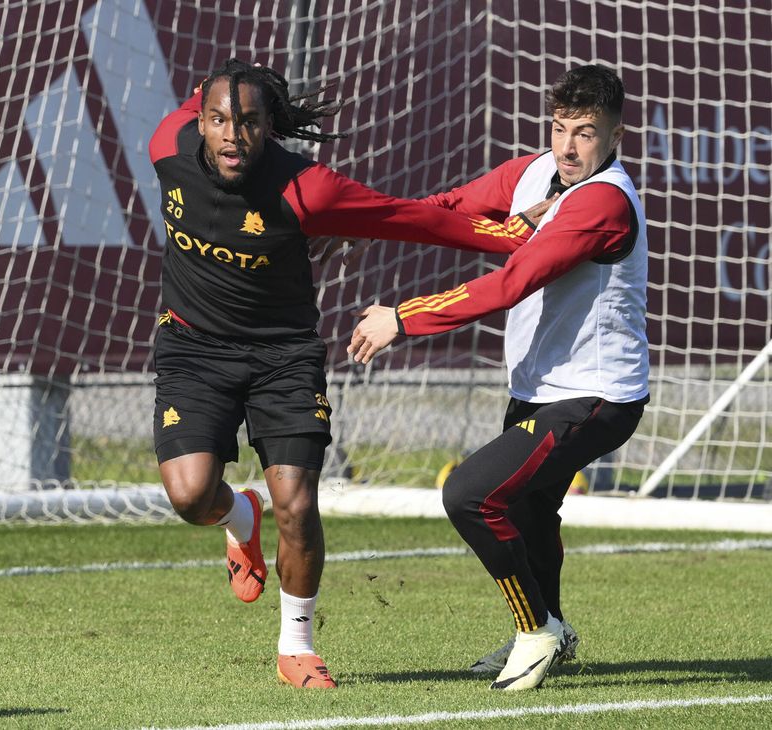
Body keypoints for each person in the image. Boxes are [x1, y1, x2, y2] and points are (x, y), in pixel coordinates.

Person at [148, 58, 534, 689]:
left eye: (246, 123)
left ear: (269, 126)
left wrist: (525, 243)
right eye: (218, 120)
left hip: (284, 356)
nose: (230, 136)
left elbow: (417, 220)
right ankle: (241, 520)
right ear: (201, 119)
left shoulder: (310, 189)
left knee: (297, 505)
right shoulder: (167, 144)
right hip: (194, 350)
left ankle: (296, 646)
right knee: (191, 497)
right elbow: (194, 105)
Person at [347, 64, 649, 691]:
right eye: (560, 127)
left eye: (586, 133)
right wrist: (351, 228)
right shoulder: (536, 170)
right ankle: (553, 629)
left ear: (617, 134)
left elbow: (513, 280)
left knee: (469, 495)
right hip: (538, 387)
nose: (567, 146)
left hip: (595, 396)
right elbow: (450, 208)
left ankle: (535, 629)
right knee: (533, 510)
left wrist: (404, 317)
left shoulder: (605, 201)